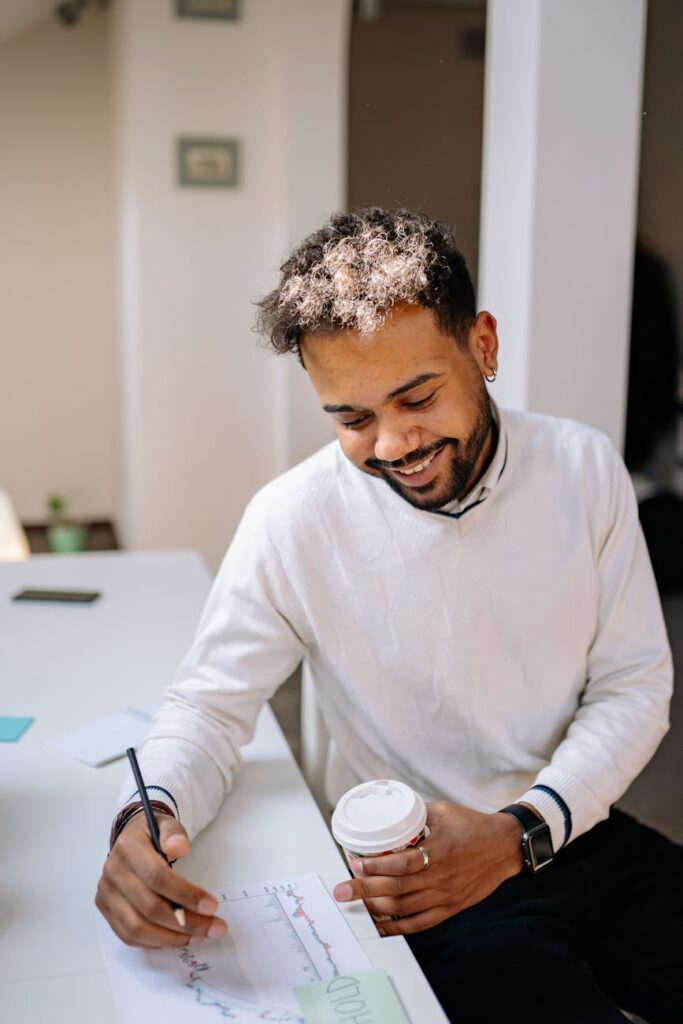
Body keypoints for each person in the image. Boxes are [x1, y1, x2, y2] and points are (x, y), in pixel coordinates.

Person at [96, 209, 682, 1023]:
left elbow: (633, 686)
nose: (393, 442)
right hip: (419, 882)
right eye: (352, 419)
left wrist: (522, 831)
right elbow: (208, 705)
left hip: (573, 821)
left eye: (416, 397)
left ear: (482, 345)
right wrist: (146, 816)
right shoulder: (292, 519)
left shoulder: (582, 471)